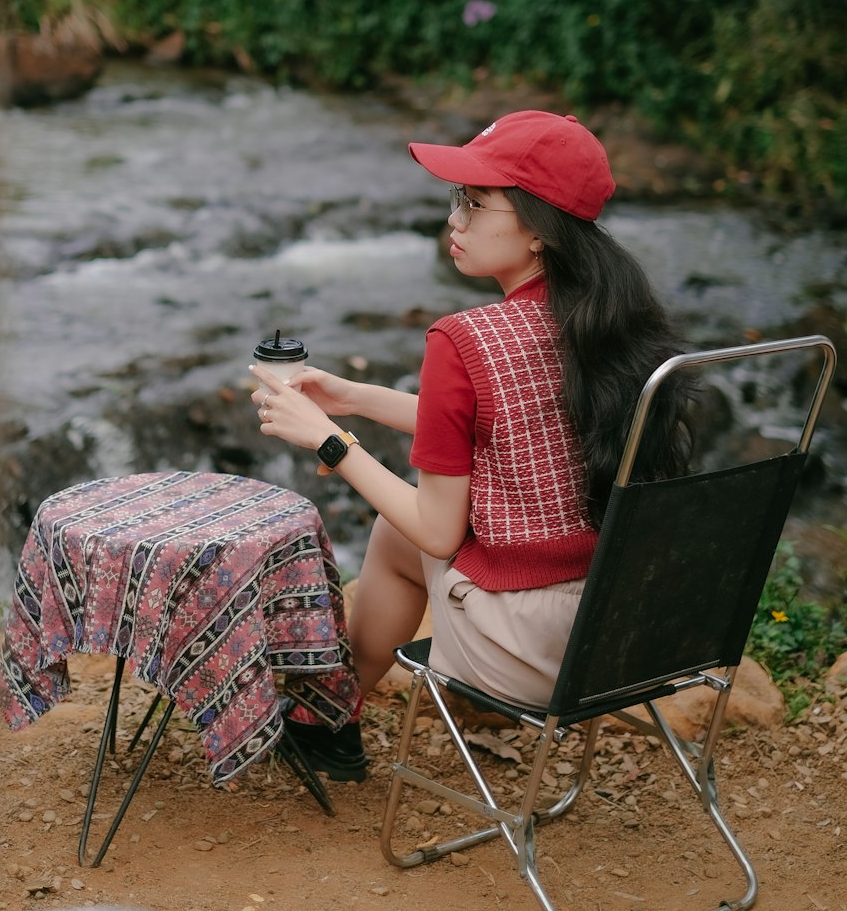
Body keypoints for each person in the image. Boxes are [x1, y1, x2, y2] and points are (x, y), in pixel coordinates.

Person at [249, 110, 692, 783]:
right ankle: (324, 719)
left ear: (539, 230)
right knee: (395, 540)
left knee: (400, 537)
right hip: (631, 625)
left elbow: (436, 530)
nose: (454, 221)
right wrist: (357, 397)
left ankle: (328, 720)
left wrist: (330, 441)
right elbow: (504, 424)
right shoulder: (609, 318)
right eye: (458, 200)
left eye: (477, 204)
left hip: (528, 652)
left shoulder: (464, 340)